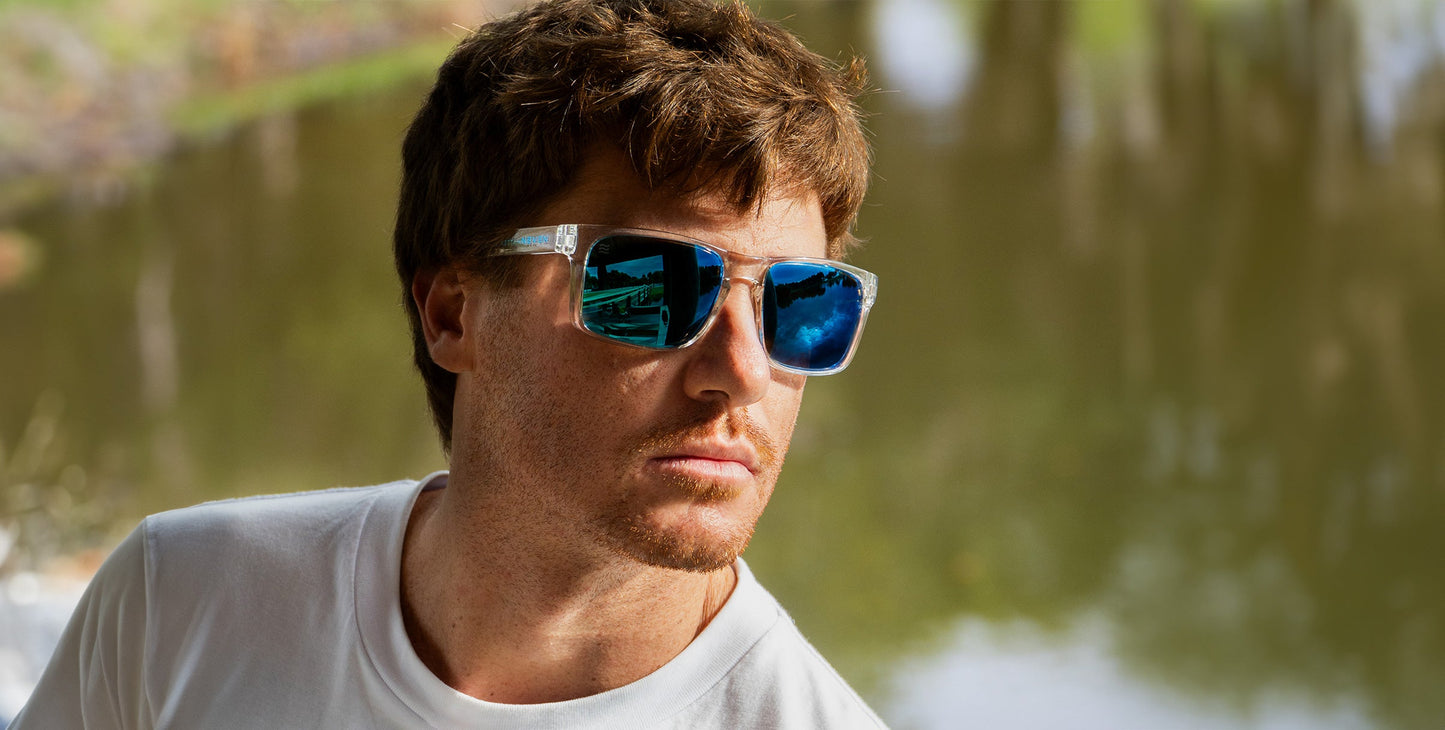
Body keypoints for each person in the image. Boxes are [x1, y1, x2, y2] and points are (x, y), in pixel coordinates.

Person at [13, 0, 883, 726]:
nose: (738, 370)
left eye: (802, 304)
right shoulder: (183, 600)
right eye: (647, 287)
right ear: (452, 313)